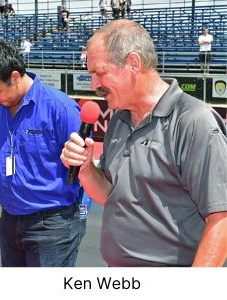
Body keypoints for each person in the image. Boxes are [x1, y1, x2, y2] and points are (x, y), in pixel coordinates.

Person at [61, 19, 227, 267]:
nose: (94, 85)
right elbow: (109, 194)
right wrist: (85, 169)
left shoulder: (194, 121)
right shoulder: (119, 118)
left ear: (133, 64)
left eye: (99, 73)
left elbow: (221, 218)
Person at [0, 41, 85, 267]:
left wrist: (78, 216)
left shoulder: (61, 108)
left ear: (15, 76)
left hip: (52, 227)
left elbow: (86, 170)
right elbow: (2, 157)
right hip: (9, 220)